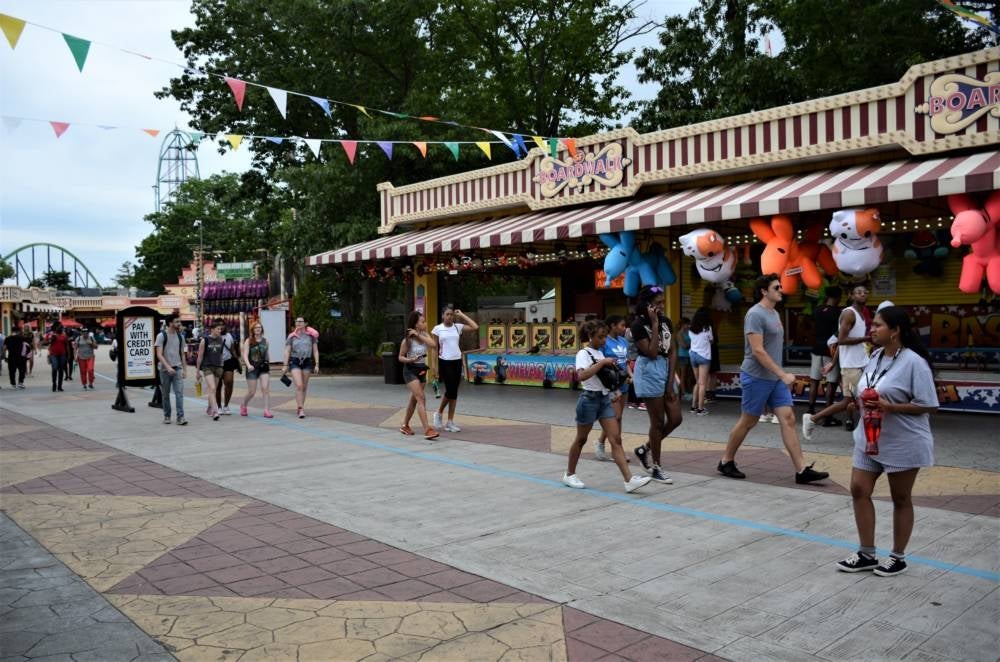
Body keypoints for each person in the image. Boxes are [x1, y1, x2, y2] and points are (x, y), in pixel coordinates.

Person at [835, 306, 939, 577]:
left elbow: (929, 404)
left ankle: (897, 557)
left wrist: (891, 407)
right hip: (869, 437)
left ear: (895, 331)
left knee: (900, 497)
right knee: (859, 489)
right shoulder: (876, 355)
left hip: (903, 440)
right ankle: (866, 553)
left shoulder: (914, 362)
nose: (872, 329)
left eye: (878, 325)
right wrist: (858, 402)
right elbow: (870, 387)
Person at [717, 274, 829, 484]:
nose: (781, 290)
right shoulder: (754, 314)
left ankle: (801, 470)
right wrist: (783, 374)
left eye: (780, 287)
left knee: (788, 418)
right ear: (763, 291)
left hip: (775, 378)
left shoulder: (774, 313)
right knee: (749, 421)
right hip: (756, 376)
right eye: (776, 287)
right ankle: (726, 461)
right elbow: (758, 351)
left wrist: (779, 375)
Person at [563, 320, 653, 494]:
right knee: (581, 439)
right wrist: (603, 363)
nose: (604, 340)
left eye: (605, 336)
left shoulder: (599, 353)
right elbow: (582, 376)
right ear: (591, 336)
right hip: (589, 400)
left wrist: (614, 390)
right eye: (600, 337)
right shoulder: (583, 353)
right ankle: (569, 474)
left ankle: (629, 480)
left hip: (604, 399)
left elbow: (603, 379)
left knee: (615, 439)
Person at [630, 286, 680, 484]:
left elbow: (673, 351)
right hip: (648, 371)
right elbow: (651, 352)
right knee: (657, 422)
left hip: (665, 368)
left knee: (676, 418)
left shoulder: (667, 321)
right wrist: (654, 324)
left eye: (662, 302)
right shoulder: (638, 325)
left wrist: (670, 381)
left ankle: (644, 449)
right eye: (657, 303)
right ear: (647, 305)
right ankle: (656, 467)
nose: (661, 306)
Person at [432, 306, 479, 433]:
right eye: (447, 314)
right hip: (445, 361)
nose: (449, 316)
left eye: (451, 314)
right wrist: (434, 367)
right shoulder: (437, 329)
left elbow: (475, 327)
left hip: (457, 361)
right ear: (442, 315)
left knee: (454, 392)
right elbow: (434, 349)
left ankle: (449, 421)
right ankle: (439, 413)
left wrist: (461, 314)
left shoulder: (457, 327)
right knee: (451, 390)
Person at [398, 310, 439, 440]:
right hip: (410, 370)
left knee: (414, 399)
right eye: (422, 322)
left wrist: (418, 335)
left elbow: (433, 345)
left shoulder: (425, 335)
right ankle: (427, 429)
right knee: (421, 397)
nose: (425, 323)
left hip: (421, 369)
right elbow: (400, 357)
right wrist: (409, 360)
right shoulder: (407, 340)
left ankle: (405, 425)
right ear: (416, 324)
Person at [594, 315, 630, 461]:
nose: (624, 328)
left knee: (617, 418)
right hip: (611, 385)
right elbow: (600, 363)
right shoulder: (604, 342)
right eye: (622, 325)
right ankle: (618, 450)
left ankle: (601, 442)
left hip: (624, 383)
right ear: (613, 326)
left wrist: (631, 375)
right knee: (616, 417)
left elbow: (626, 362)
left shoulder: (624, 341)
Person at [807, 287, 843, 423]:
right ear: (838, 297)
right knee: (831, 383)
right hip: (831, 350)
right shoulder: (839, 313)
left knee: (814, 381)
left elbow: (811, 328)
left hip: (816, 348)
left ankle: (810, 410)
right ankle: (828, 415)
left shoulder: (817, 310)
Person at [282, 316, 320, 419]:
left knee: (304, 387)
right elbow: (287, 351)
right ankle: (300, 408)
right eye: (296, 321)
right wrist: (285, 365)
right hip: (295, 361)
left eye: (300, 321)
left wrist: (317, 364)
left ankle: (301, 406)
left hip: (307, 361)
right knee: (299, 385)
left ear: (305, 323)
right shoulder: (291, 336)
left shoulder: (311, 336)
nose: (298, 323)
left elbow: (315, 350)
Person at [155, 316, 189, 425]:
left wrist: (185, 370)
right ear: (170, 323)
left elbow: (183, 355)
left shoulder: (181, 337)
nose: (179, 323)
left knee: (179, 393)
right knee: (166, 394)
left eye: (179, 321)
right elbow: (159, 354)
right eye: (177, 322)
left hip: (177, 368)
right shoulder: (161, 336)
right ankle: (167, 415)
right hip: (164, 370)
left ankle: (180, 417)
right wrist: (168, 367)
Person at [196, 319, 227, 421]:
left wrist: (221, 366)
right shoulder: (204, 340)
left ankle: (210, 407)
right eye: (218, 329)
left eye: (220, 329)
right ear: (212, 329)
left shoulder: (221, 339)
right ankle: (215, 411)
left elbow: (220, 354)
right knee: (212, 388)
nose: (220, 331)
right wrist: (197, 372)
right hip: (207, 367)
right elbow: (200, 357)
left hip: (218, 367)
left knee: (213, 390)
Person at [240, 320, 272, 418]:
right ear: (253, 330)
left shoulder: (265, 341)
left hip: (263, 368)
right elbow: (245, 355)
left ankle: (266, 410)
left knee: (265, 388)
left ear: (262, 329)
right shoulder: (248, 341)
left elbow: (267, 354)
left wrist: (268, 363)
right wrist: (248, 365)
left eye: (259, 327)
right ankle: (243, 404)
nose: (258, 329)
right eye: (256, 328)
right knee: (252, 392)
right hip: (252, 368)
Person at [688, 308, 713, 416]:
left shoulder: (691, 329)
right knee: (703, 383)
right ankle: (700, 409)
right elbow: (711, 340)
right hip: (704, 356)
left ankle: (693, 407)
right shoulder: (707, 328)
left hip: (693, 355)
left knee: (697, 382)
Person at [213, 322, 240, 415]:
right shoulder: (213, 336)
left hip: (228, 361)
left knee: (229, 382)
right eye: (219, 325)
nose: (221, 326)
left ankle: (226, 405)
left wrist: (238, 362)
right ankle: (219, 406)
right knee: (218, 385)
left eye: (223, 324)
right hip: (216, 363)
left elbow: (232, 349)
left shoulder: (229, 336)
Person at [46, 322, 69, 392]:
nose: (60, 328)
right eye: (58, 327)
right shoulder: (51, 335)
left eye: (61, 327)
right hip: (53, 354)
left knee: (61, 370)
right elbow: (45, 342)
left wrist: (68, 355)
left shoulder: (64, 335)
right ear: (55, 328)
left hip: (62, 354)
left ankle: (59, 386)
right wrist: (51, 340)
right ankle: (54, 384)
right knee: (55, 368)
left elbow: (67, 345)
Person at [676, 317, 692, 401]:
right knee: (683, 375)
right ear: (683, 324)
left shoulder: (689, 332)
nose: (689, 326)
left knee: (689, 375)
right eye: (687, 324)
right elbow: (683, 345)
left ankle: (689, 391)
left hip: (689, 356)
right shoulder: (679, 334)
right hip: (682, 356)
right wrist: (692, 344)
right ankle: (683, 393)